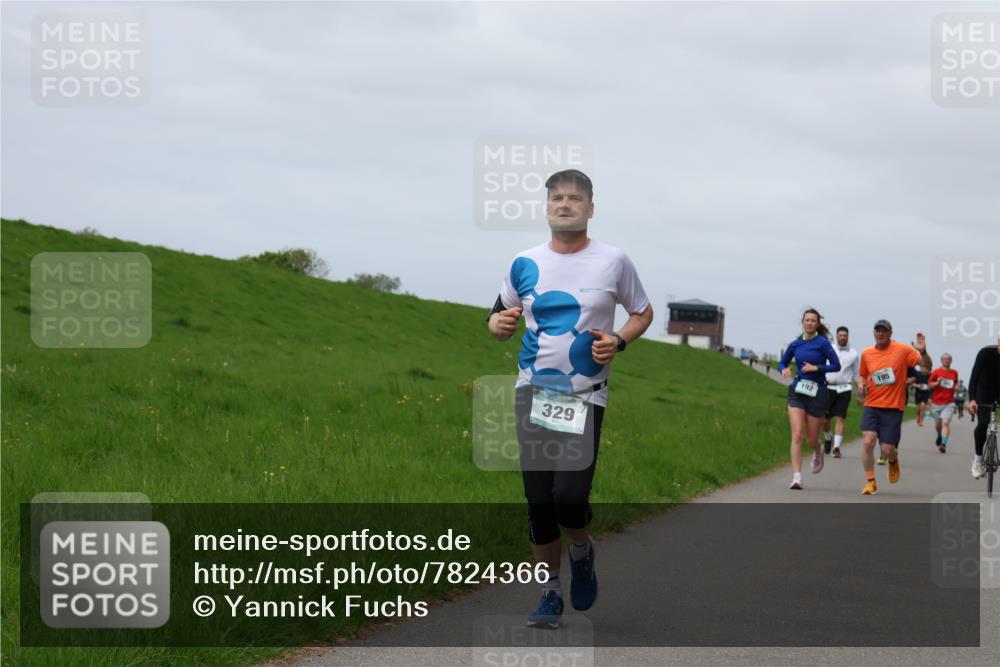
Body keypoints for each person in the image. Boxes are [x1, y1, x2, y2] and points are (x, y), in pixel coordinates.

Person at [487, 169, 653, 627]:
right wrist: (497, 326)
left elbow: (642, 312)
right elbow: (499, 315)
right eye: (557, 198)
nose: (565, 204)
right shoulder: (524, 261)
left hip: (586, 394)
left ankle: (582, 549)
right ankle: (550, 592)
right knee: (539, 502)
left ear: (590, 208)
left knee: (570, 497)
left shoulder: (613, 261)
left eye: (575, 199)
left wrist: (619, 340)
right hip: (533, 392)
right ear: (546, 208)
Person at [856, 322, 932, 495]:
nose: (881, 334)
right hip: (872, 405)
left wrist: (923, 352)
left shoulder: (903, 350)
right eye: (878, 331)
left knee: (887, 449)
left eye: (884, 331)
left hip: (893, 407)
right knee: (868, 441)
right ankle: (870, 481)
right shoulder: (867, 353)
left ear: (891, 333)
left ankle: (893, 461)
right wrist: (861, 385)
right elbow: (862, 374)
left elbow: (926, 367)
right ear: (874, 333)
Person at [778, 309, 841, 490]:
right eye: (807, 320)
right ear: (803, 322)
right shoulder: (796, 344)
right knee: (797, 434)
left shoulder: (823, 343)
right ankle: (797, 477)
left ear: (818, 324)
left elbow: (836, 365)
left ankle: (817, 449)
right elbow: (782, 362)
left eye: (813, 321)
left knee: (812, 439)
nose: (810, 323)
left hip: (818, 393)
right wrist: (783, 369)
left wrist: (817, 368)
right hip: (797, 391)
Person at [822, 326, 861, 459]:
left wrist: (860, 389)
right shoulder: (828, 349)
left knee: (840, 417)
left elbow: (856, 374)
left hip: (844, 388)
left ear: (848, 337)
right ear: (837, 336)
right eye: (840, 335)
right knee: (825, 419)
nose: (843, 337)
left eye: (845, 335)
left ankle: (836, 447)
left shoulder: (854, 354)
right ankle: (828, 438)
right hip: (828, 387)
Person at [967, 336, 1000, 479]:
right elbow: (974, 377)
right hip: (984, 392)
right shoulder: (985, 353)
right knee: (982, 423)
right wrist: (972, 400)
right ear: (999, 341)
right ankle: (978, 460)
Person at [928, 353, 959, 453]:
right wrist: (937, 382)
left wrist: (957, 387)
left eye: (948, 359)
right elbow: (929, 386)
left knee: (945, 422)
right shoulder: (936, 372)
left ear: (951, 361)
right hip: (936, 402)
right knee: (938, 425)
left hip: (949, 402)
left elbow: (956, 383)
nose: (946, 361)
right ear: (941, 360)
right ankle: (940, 435)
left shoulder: (954, 372)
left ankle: (943, 444)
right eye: (944, 359)